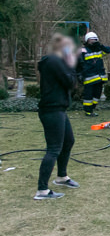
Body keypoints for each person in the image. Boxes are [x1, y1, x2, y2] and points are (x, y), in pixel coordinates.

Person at [35, 35, 80, 200]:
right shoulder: (55, 62)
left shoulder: (55, 61)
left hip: (58, 108)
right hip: (52, 110)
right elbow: (71, 82)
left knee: (68, 141)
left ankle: (62, 177)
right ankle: (42, 190)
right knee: (54, 148)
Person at [78, 31, 110, 116]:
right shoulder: (83, 50)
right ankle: (88, 111)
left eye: (95, 40)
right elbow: (78, 63)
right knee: (88, 96)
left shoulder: (99, 49)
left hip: (100, 78)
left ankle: (92, 109)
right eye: (91, 40)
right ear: (86, 41)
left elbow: (108, 50)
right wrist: (79, 74)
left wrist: (100, 45)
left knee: (97, 95)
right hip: (89, 77)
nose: (93, 41)